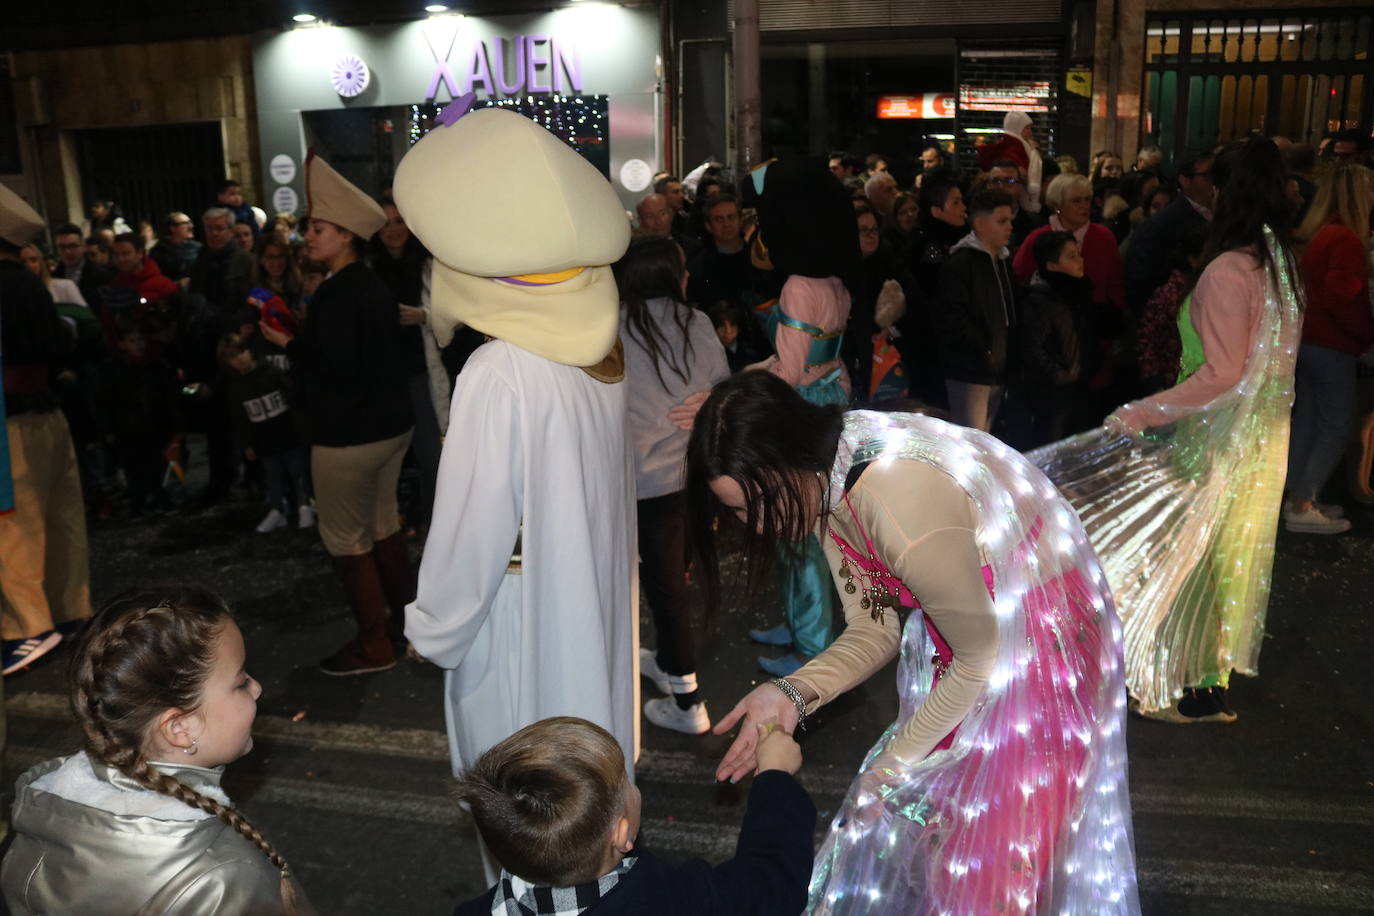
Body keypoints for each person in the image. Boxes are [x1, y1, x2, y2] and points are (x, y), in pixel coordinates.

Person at [688, 371, 1139, 914]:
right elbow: (875, 629)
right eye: (736, 512)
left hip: (1044, 646)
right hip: (982, 640)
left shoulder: (891, 501)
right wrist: (791, 693)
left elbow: (978, 659)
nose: (753, 528)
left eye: (750, 507)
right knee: (953, 843)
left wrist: (888, 771)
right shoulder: (828, 475)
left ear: (787, 460)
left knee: (992, 868)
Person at [394, 106, 637, 862]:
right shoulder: (599, 347)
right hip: (587, 604)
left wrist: (432, 627)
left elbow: (472, 530)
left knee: (525, 808)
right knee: (586, 800)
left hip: (518, 622)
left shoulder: (500, 371)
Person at [1032, 136, 1301, 723]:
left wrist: (1141, 411)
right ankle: (1201, 683)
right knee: (1216, 555)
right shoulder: (1275, 262)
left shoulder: (1233, 269)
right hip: (1256, 439)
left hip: (1214, 435)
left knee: (1181, 551)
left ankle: (1189, 683)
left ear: (1226, 190)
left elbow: (1222, 372)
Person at [1, 587, 312, 914]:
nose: (257, 687)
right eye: (240, 682)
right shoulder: (222, 881)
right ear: (180, 728)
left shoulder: (41, 811)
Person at [258, 154, 414, 676]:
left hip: (348, 436)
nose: (308, 237)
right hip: (389, 427)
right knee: (384, 526)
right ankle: (404, 626)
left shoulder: (337, 292)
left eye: (318, 229)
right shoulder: (370, 284)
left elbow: (337, 365)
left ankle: (374, 644)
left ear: (346, 235)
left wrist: (290, 343)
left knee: (347, 541)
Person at [452, 717, 815, 916]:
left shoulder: (480, 911)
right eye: (626, 780)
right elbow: (772, 885)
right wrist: (775, 778)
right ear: (622, 834)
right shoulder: (669, 899)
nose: (632, 786)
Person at [739, 158, 857, 677]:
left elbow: (788, 369)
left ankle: (810, 642)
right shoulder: (834, 283)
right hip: (828, 404)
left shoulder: (796, 287)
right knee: (808, 525)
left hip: (798, 413)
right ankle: (799, 623)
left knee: (796, 527)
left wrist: (740, 381)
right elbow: (823, 359)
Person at [617, 237, 730, 734]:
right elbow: (721, 386)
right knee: (674, 578)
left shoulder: (613, 330)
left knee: (663, 588)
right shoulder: (696, 322)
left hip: (637, 480)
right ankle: (668, 662)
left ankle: (689, 704)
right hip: (690, 476)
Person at [0, 185, 92, 675]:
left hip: (9, 420)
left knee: (14, 526)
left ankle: (27, 627)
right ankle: (70, 609)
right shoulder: (30, 283)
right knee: (62, 521)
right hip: (50, 416)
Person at [1284, 163, 1374, 534]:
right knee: (1333, 425)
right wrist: (1364, 334)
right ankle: (1303, 503)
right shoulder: (1346, 240)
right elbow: (1343, 298)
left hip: (1309, 342)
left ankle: (1298, 499)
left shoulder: (1321, 233)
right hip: (1333, 345)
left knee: (1308, 422)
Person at [1015, 174, 1127, 421]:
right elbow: (1020, 279)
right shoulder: (1039, 238)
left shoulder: (1103, 237)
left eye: (1087, 199)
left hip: (1093, 338)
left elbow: (1116, 285)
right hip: (1056, 348)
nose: (1084, 206)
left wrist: (1112, 318)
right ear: (1058, 204)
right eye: (1076, 200)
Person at [369, 195, 443, 529]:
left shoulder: (428, 264)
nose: (393, 230)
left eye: (399, 222)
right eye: (386, 223)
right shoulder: (368, 266)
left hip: (418, 370)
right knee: (385, 457)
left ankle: (433, 523)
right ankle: (390, 524)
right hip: (381, 375)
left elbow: (452, 313)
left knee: (430, 453)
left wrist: (423, 315)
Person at [936, 188, 1017, 432]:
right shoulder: (961, 264)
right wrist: (986, 348)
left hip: (997, 369)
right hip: (970, 372)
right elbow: (951, 318)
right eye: (1002, 221)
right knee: (970, 441)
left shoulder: (1001, 262)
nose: (1009, 227)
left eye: (1010, 221)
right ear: (980, 224)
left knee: (985, 440)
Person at [219, 333, 314, 534]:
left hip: (288, 435)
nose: (240, 358)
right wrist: (246, 444)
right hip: (264, 441)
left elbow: (293, 402)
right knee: (273, 476)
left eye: (242, 352)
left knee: (298, 472)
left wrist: (301, 429)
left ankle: (304, 505)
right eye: (233, 356)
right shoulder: (236, 388)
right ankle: (277, 509)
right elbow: (239, 419)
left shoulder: (273, 373)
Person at [1011, 231, 1086, 447]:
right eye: (1071, 256)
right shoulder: (1040, 301)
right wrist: (1060, 374)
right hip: (1050, 397)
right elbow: (1031, 348)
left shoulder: (1074, 294)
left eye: (1079, 254)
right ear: (1052, 265)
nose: (1080, 260)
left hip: (1072, 390)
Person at [98, 326, 182, 517]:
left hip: (153, 425)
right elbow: (105, 401)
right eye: (132, 341)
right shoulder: (113, 370)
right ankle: (139, 502)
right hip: (128, 428)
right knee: (134, 468)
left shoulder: (157, 367)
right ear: (122, 344)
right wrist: (108, 429)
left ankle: (160, 498)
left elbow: (168, 398)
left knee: (156, 465)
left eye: (140, 340)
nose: (138, 345)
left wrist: (174, 425)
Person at [1123, 150, 1214, 319]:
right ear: (1185, 180)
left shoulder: (1220, 217)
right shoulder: (1162, 224)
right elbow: (1140, 285)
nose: (1214, 182)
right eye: (1207, 175)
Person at [1135, 222, 1208, 392]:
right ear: (1192, 260)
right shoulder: (1171, 295)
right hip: (1175, 384)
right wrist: (1157, 386)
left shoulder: (1209, 289)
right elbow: (1148, 344)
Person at [686, 194, 766, 311]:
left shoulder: (759, 258)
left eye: (731, 217)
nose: (726, 224)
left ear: (740, 220)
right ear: (708, 226)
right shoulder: (699, 266)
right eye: (718, 219)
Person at [977, 111, 1044, 214]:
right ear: (1017, 128)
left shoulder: (1017, 148)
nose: (1030, 132)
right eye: (1027, 128)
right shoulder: (1015, 150)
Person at [51, 222, 113, 309]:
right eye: (62, 247)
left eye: (73, 246)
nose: (68, 251)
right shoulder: (53, 277)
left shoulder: (101, 275)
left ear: (83, 246)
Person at [149, 211, 202, 282]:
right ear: (173, 228)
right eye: (186, 223)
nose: (191, 226)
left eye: (190, 222)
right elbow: (155, 278)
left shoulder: (198, 247)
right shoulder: (159, 251)